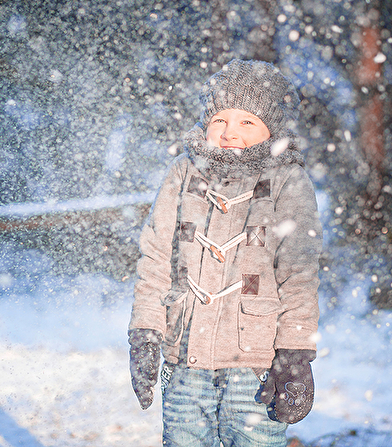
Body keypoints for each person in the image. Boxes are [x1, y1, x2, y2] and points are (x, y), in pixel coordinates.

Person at [128, 59, 322, 447]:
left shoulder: (287, 178)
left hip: (256, 366)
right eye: (220, 119)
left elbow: (298, 273)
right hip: (185, 359)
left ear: (272, 130)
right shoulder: (184, 172)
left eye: (247, 121)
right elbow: (155, 258)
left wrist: (295, 355)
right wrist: (145, 333)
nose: (230, 131)